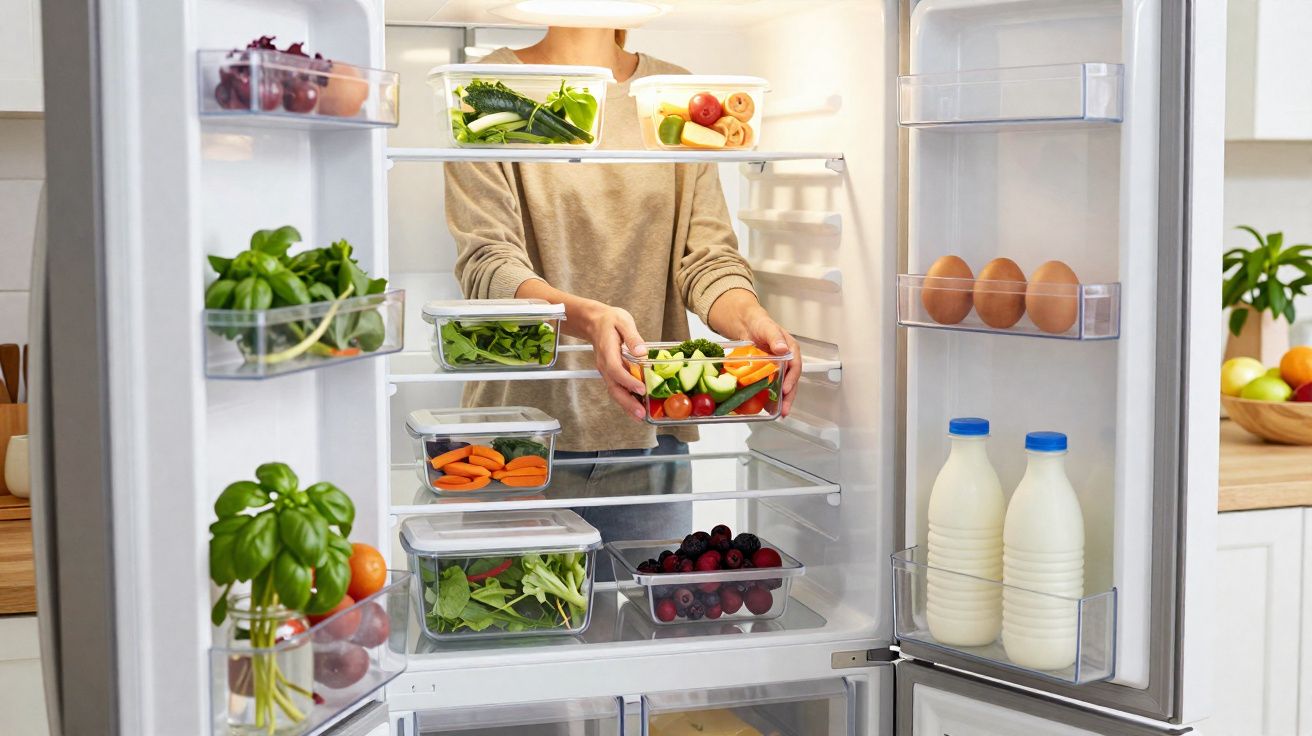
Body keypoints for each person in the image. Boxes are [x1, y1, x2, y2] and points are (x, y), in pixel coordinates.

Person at [445, 26, 800, 569]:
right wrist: (587, 319)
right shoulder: (485, 86)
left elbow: (706, 258)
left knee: (649, 636)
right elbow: (488, 264)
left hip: (651, 435)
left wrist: (751, 319)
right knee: (518, 633)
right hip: (517, 444)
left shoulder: (674, 94)